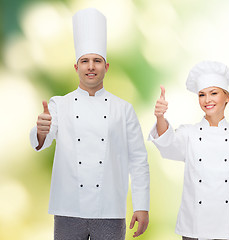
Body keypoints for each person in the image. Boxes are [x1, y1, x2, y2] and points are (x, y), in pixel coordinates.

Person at [30, 8, 150, 240]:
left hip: (110, 210)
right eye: (85, 61)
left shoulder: (123, 109)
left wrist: (141, 206)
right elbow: (42, 140)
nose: (91, 66)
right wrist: (41, 132)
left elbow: (138, 160)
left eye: (97, 61)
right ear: (76, 67)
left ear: (107, 66)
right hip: (68, 209)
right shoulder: (59, 105)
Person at [148, 61, 229, 240]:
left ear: (227, 97)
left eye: (213, 93)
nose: (207, 100)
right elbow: (167, 145)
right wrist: (160, 116)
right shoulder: (188, 133)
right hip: (194, 225)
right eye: (202, 95)